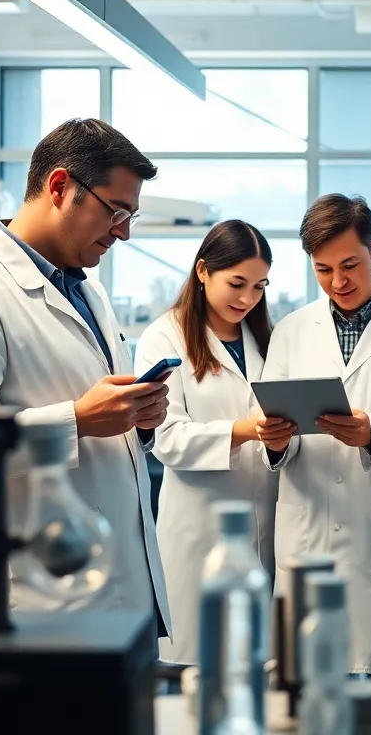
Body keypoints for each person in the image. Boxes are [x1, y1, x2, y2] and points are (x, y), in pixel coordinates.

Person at [0, 118, 171, 635]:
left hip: (125, 580)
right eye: (116, 210)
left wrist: (138, 420)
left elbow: (102, 418)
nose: (123, 231)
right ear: (59, 187)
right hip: (50, 596)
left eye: (130, 216)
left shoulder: (88, 291)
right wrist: (77, 420)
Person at [259, 194, 371, 713]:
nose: (337, 281)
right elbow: (273, 432)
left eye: (349, 265)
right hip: (308, 531)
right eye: (323, 269)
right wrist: (275, 441)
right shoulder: (291, 330)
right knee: (302, 700)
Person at [133, 220, 285, 665]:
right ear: (203, 271)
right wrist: (245, 430)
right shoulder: (165, 336)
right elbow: (166, 438)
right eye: (236, 284)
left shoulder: (266, 337)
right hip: (198, 529)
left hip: (266, 524)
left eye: (259, 287)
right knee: (198, 670)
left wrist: (279, 437)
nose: (247, 298)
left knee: (258, 668)